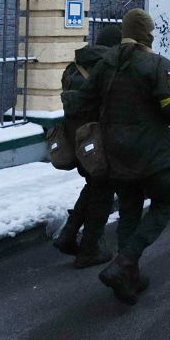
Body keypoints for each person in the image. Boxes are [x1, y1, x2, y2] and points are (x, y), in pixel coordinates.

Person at [62, 9, 170, 304]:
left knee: (130, 208)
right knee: (163, 201)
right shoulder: (157, 64)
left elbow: (82, 102)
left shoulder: (106, 63)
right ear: (147, 33)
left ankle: (128, 276)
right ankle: (125, 261)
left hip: (116, 152)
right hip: (152, 152)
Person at [53, 23, 122, 268]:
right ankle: (90, 248)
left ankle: (68, 234)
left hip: (77, 139)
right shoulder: (109, 68)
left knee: (93, 186)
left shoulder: (75, 66)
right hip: (99, 140)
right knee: (103, 190)